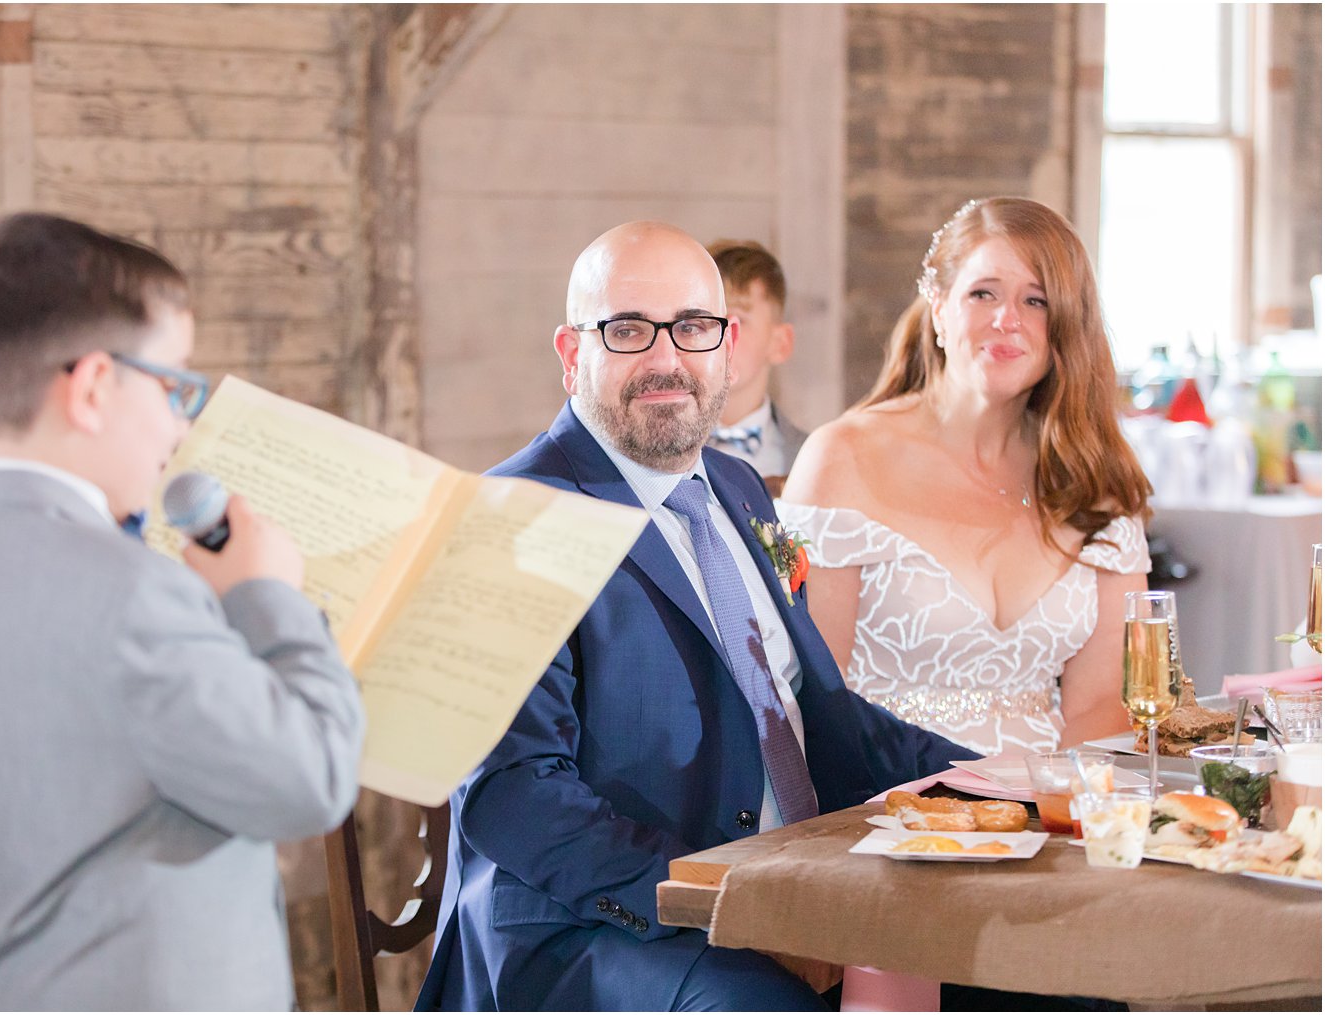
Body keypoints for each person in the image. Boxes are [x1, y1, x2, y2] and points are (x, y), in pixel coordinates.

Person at [415, 221, 977, 1013]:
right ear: (572, 353)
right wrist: (729, 905)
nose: (667, 359)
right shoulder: (514, 517)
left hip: (796, 885)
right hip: (592, 931)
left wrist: (998, 784)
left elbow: (814, 712)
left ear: (729, 345)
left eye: (692, 328)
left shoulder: (740, 488)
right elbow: (518, 797)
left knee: (1054, 978)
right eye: (628, 330)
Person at [0, 213, 366, 1010]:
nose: (181, 424)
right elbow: (310, 781)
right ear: (94, 387)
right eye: (174, 383)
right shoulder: (136, 593)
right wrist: (268, 593)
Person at [778, 197, 1152, 756]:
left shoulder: (1092, 478)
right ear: (939, 308)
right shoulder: (840, 458)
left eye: (1037, 300)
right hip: (878, 808)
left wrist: (1057, 820)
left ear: (1067, 326)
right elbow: (807, 690)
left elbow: (1102, 708)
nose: (1008, 319)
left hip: (1044, 817)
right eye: (984, 293)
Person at [705, 240, 807, 488]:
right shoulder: (648, 443)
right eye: (705, 318)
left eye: (738, 320)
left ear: (780, 343)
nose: (722, 334)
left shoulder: (809, 458)